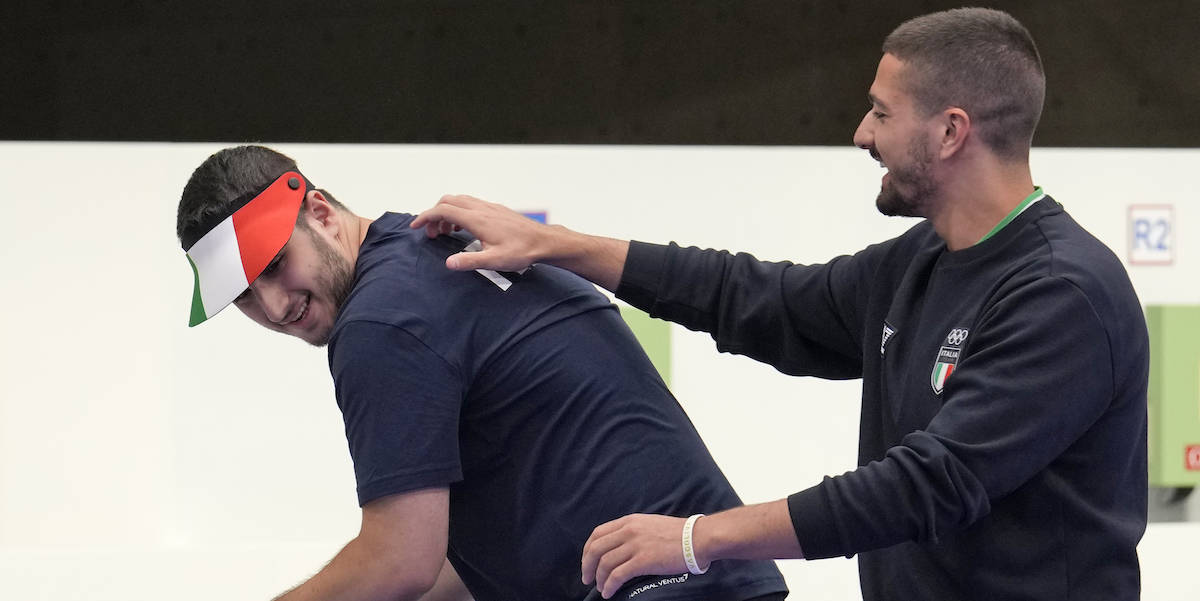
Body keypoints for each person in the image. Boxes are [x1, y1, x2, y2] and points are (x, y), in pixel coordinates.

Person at [411, 8, 1149, 601]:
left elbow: (926, 486)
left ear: (951, 130)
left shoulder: (1062, 294)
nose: (862, 134)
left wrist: (700, 537)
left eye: (880, 113)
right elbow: (758, 298)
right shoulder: (922, 260)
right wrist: (558, 245)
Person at [175, 145, 789, 601]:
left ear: (321, 213)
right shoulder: (434, 253)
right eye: (246, 298)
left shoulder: (379, 323)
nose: (276, 306)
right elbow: (448, 560)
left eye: (277, 265)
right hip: (713, 579)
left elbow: (401, 560)